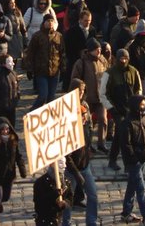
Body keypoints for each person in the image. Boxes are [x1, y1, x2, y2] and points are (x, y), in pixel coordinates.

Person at [116, 94, 145, 225]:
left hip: (142, 158)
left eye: (144, 104)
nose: (144, 106)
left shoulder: (143, 118)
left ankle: (126, 213)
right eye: (142, 104)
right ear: (135, 106)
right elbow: (126, 145)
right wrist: (134, 158)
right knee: (141, 189)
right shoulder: (127, 123)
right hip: (133, 161)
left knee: (132, 186)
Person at [62, 79, 100, 226]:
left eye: (83, 90)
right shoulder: (65, 110)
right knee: (67, 200)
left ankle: (92, 222)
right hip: (71, 167)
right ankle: (66, 223)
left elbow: (89, 130)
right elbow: (66, 151)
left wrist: (89, 147)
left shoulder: (84, 106)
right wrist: (76, 172)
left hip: (84, 163)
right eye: (79, 90)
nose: (81, 93)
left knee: (93, 195)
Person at [105, 48, 143, 171]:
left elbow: (138, 89)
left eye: (125, 58)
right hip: (116, 109)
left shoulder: (133, 71)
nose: (123, 61)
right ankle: (124, 162)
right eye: (121, 58)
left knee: (122, 135)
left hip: (131, 109)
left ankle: (115, 160)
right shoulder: (109, 73)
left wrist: (138, 104)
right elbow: (103, 94)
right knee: (123, 135)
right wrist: (111, 108)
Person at [25, 13, 65, 109]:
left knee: (51, 99)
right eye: (48, 21)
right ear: (43, 23)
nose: (50, 23)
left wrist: (63, 68)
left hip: (54, 72)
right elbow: (30, 53)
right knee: (43, 96)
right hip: (41, 71)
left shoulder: (58, 36)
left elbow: (63, 53)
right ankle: (32, 112)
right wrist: (29, 69)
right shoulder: (37, 36)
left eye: (52, 21)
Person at [0, 55, 20, 128]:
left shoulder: (13, 74)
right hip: (1, 109)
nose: (13, 63)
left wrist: (16, 98)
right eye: (10, 62)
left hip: (11, 107)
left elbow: (17, 87)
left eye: (12, 61)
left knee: (12, 127)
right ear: (3, 63)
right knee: (2, 127)